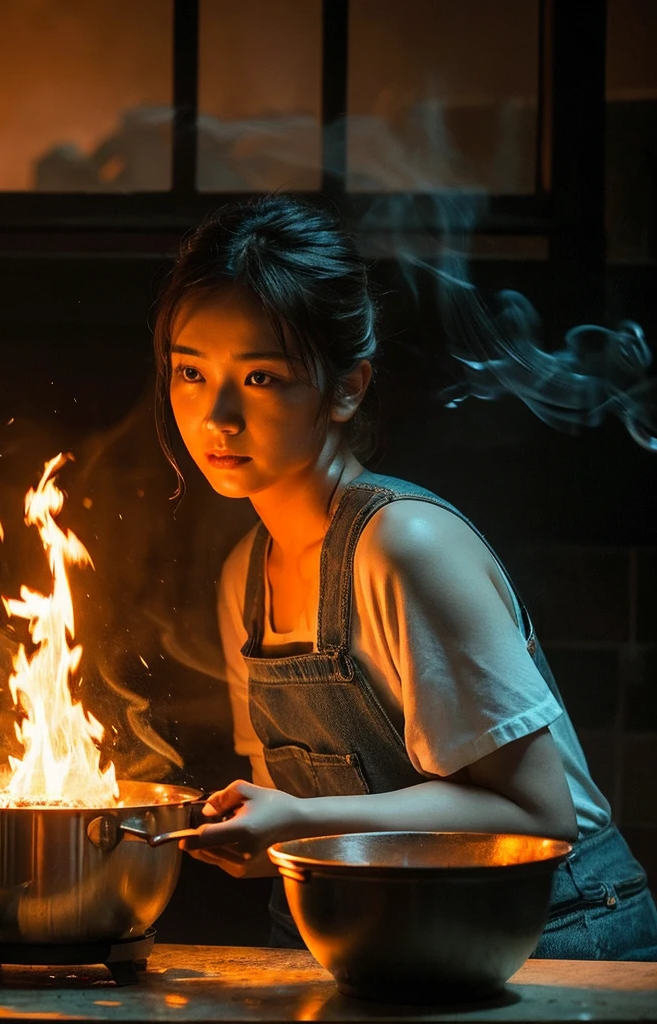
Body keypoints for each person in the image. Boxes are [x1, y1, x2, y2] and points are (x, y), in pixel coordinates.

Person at [151, 192, 657, 960]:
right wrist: (252, 831)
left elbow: (537, 813)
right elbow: (296, 817)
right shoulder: (243, 578)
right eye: (191, 371)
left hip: (554, 933)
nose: (216, 416)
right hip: (386, 941)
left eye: (261, 378)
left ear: (347, 388)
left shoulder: (402, 546)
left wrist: (300, 821)